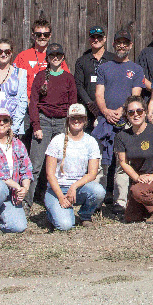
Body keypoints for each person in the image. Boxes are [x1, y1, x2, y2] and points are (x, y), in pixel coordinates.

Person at [94, 29, 147, 211]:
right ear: (114, 44)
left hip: (126, 122)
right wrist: (106, 111)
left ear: (130, 46)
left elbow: (135, 96)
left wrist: (121, 111)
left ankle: (120, 202)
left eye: (125, 43)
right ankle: (96, 199)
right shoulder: (104, 68)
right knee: (99, 161)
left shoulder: (136, 69)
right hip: (103, 121)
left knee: (122, 164)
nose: (122, 45)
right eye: (119, 42)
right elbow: (99, 94)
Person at [28, 42, 77, 205]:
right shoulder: (41, 76)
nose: (55, 58)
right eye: (52, 56)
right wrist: (36, 126)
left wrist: (70, 128)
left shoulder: (69, 78)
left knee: (61, 165)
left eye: (58, 55)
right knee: (36, 164)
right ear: (48, 58)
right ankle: (26, 203)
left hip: (62, 122)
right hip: (43, 121)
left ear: (62, 57)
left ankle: (59, 199)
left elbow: (73, 104)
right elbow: (33, 102)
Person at [43, 103, 105, 230]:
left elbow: (92, 173)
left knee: (98, 191)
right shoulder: (57, 140)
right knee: (65, 226)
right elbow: (50, 174)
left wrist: (74, 186)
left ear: (85, 120)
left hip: (78, 188)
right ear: (68, 120)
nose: (76, 121)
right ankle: (53, 212)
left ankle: (85, 215)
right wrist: (61, 197)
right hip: (57, 190)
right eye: (73, 118)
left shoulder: (91, 141)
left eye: (80, 117)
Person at [113, 94, 153, 222]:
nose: (136, 114)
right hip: (140, 178)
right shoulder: (121, 136)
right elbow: (123, 162)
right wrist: (137, 177)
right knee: (131, 217)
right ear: (127, 115)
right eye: (131, 112)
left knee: (137, 191)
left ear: (145, 112)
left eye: (139, 111)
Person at [13, 19, 69, 83]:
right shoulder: (23, 57)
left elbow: (66, 80)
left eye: (46, 34)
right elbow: (14, 79)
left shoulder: (57, 56)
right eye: (38, 34)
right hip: (29, 92)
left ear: (50, 36)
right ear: (33, 35)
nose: (42, 37)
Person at [74, 26, 109, 125]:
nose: (96, 40)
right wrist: (89, 103)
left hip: (108, 108)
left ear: (105, 39)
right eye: (93, 37)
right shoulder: (82, 61)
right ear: (89, 39)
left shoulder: (112, 59)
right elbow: (79, 85)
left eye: (99, 37)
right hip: (87, 109)